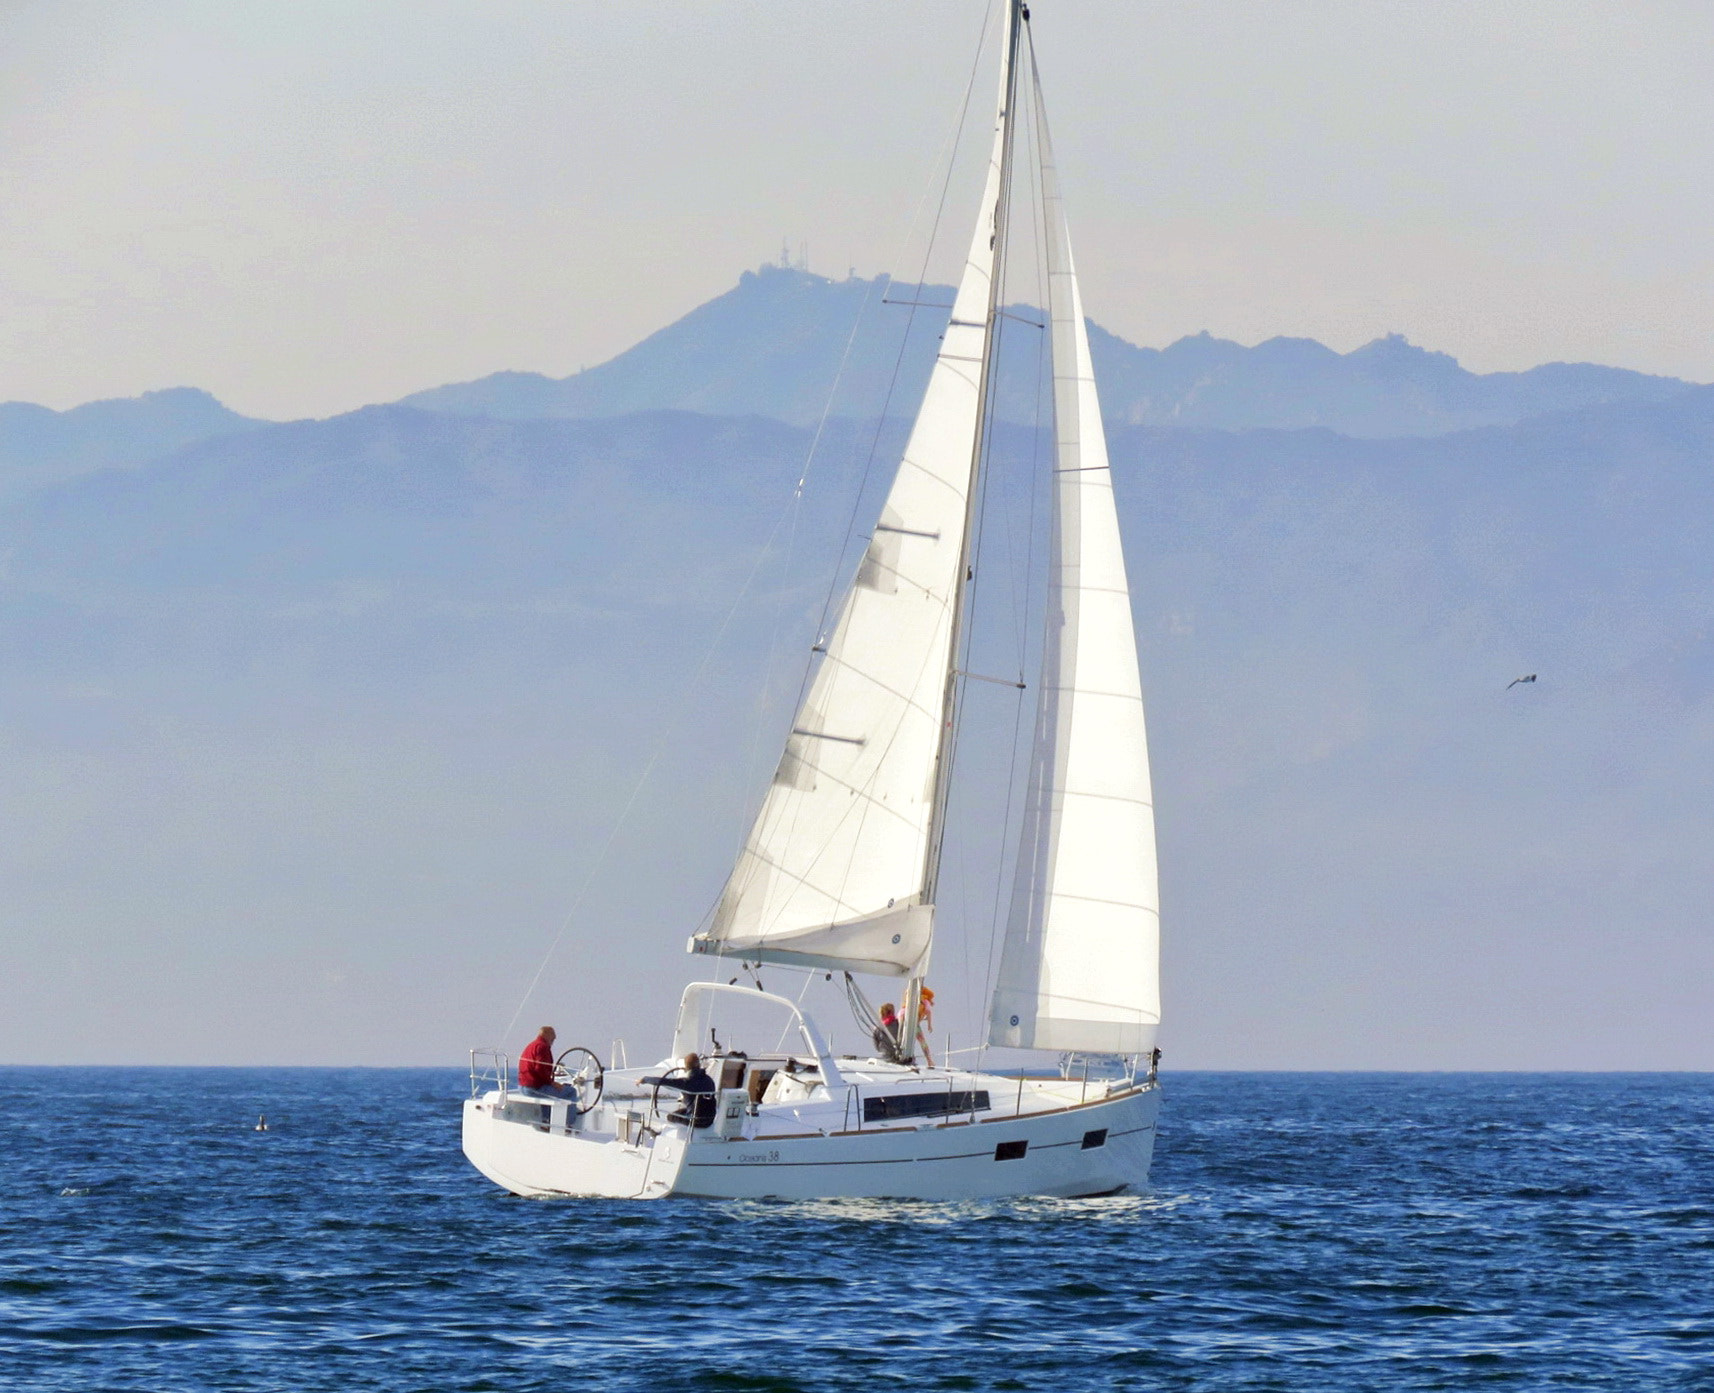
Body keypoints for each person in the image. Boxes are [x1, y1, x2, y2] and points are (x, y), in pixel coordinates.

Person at [642, 1052, 717, 1128]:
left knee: (670, 1117)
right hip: (709, 1120)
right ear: (699, 1065)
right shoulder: (709, 1080)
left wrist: (645, 1079)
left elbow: (661, 1081)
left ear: (686, 1067)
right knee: (684, 1111)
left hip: (695, 1121)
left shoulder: (687, 1082)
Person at [518, 1025, 557, 1090]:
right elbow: (540, 1068)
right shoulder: (542, 1047)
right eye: (552, 1034)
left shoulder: (532, 1045)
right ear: (546, 1034)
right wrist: (551, 1083)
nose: (554, 1037)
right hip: (534, 1087)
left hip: (522, 1086)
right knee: (571, 1091)